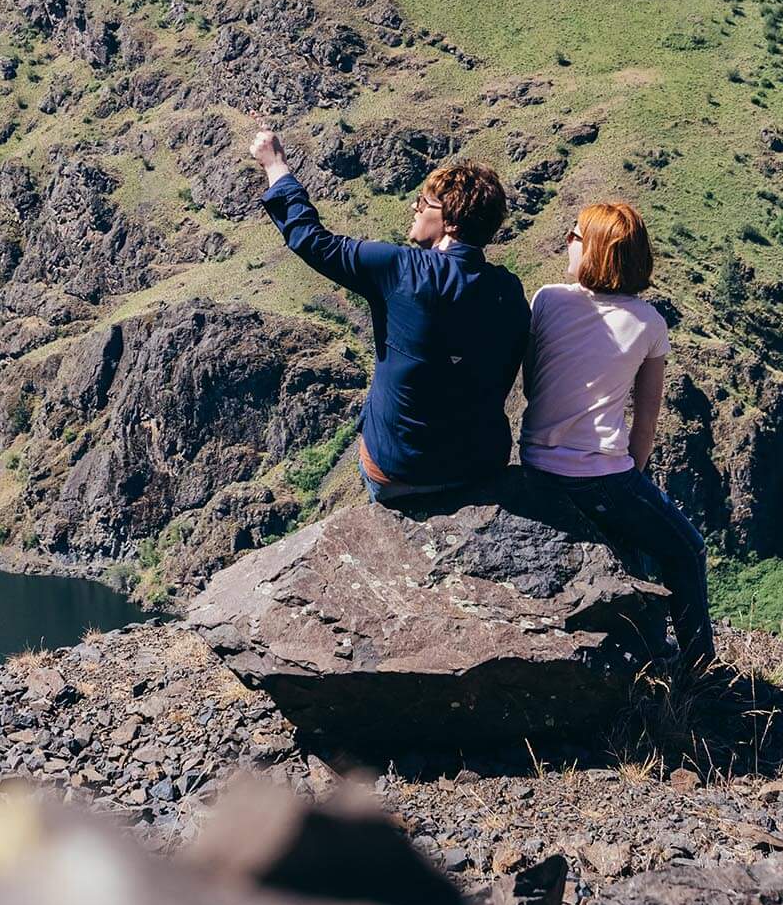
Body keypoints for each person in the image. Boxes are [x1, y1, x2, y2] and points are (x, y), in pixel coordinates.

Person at [249, 126, 529, 505]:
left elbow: (310, 239)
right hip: (480, 467)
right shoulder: (509, 291)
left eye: (425, 203)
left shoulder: (403, 269)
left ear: (451, 222)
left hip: (399, 471)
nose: (415, 207)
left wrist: (276, 165)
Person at [516, 200, 714, 671]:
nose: (568, 241)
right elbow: (645, 424)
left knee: (628, 550)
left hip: (536, 467)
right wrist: (631, 480)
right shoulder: (648, 323)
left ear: (595, 252)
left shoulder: (546, 299)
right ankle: (700, 671)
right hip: (600, 473)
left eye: (576, 236)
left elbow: (531, 383)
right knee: (686, 550)